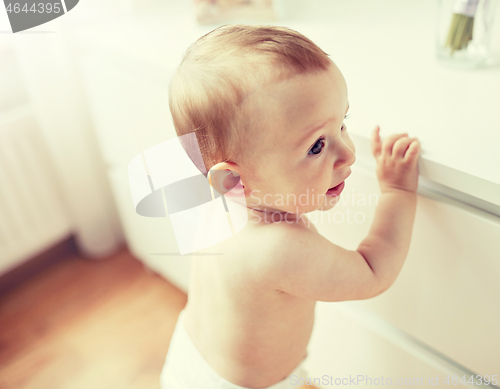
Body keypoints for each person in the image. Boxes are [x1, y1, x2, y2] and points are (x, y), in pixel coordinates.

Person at [160, 24, 420, 389]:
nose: (347, 153)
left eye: (342, 123)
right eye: (316, 146)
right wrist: (397, 192)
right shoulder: (278, 247)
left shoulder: (221, 200)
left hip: (191, 357)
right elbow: (373, 272)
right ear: (233, 180)